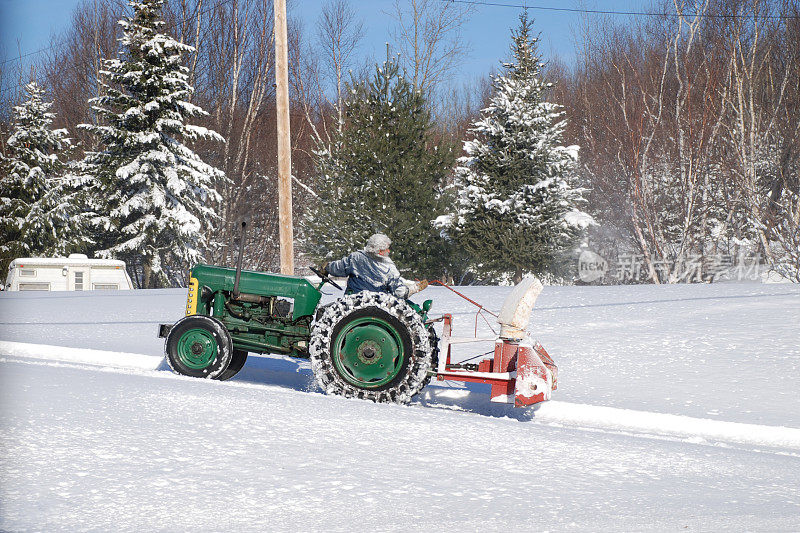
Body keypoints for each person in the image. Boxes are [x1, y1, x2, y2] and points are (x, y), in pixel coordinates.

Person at [320, 233, 428, 298]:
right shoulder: (388, 267)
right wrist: (414, 289)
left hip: (352, 303)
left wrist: (327, 267)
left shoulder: (356, 257)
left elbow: (338, 267)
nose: (389, 251)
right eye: (386, 249)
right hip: (376, 305)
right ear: (379, 250)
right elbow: (399, 292)